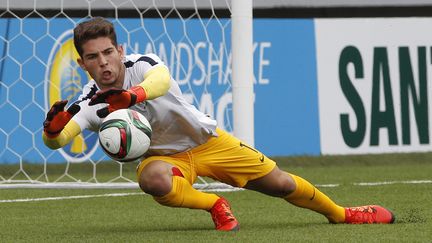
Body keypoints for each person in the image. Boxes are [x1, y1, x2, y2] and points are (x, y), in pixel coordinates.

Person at [43, 17, 395, 231]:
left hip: (207, 142)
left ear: (120, 51)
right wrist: (53, 131)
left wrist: (131, 97)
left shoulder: (142, 64)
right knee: (151, 179)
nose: (103, 62)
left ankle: (341, 214)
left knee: (282, 184)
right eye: (93, 57)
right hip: (168, 160)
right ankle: (214, 205)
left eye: (108, 52)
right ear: (82, 63)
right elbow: (62, 139)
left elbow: (160, 81)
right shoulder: (91, 103)